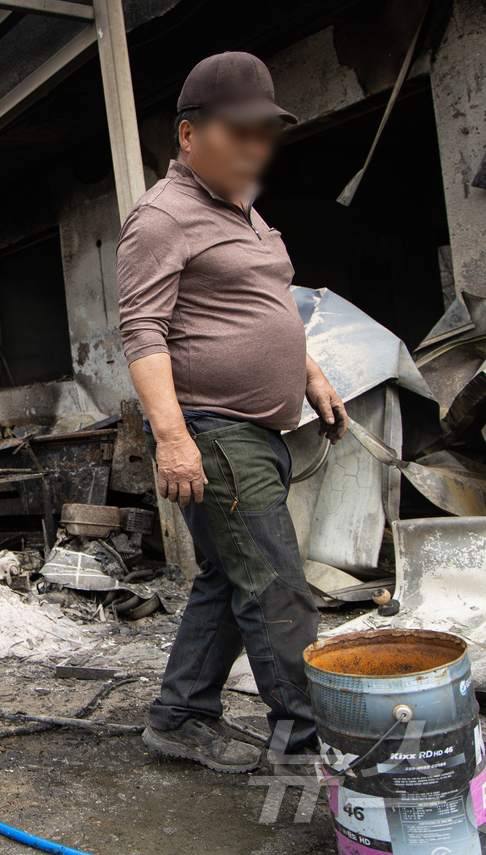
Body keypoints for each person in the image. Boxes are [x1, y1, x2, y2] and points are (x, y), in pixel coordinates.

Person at [115, 51, 348, 775]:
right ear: (189, 135)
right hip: (215, 434)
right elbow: (143, 330)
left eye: (264, 131)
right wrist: (173, 437)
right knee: (276, 585)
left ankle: (181, 716)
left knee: (228, 576)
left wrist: (307, 373)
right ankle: (307, 746)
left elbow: (266, 305)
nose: (255, 146)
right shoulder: (162, 217)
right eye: (239, 131)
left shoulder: (244, 208)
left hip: (258, 430)